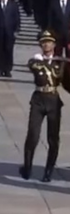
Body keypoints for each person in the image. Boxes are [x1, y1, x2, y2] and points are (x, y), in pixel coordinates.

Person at [20, 30, 64, 182]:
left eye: (49, 42)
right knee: (33, 134)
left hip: (53, 100)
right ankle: (27, 167)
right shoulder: (35, 61)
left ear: (54, 45)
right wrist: (44, 61)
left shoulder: (60, 62)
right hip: (38, 99)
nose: (46, 45)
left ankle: (48, 171)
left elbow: (60, 76)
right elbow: (34, 66)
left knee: (53, 138)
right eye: (44, 42)